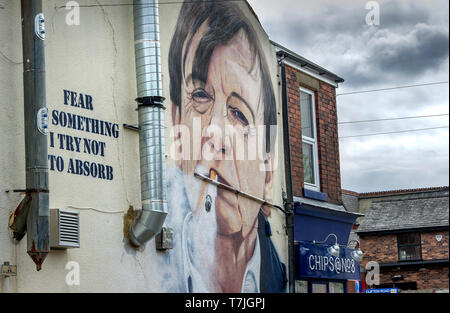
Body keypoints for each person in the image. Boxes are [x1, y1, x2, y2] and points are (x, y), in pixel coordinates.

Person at [165, 0, 286, 293]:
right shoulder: (156, 265)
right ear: (176, 123)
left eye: (239, 114)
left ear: (268, 173)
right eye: (200, 96)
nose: (215, 134)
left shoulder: (278, 277)